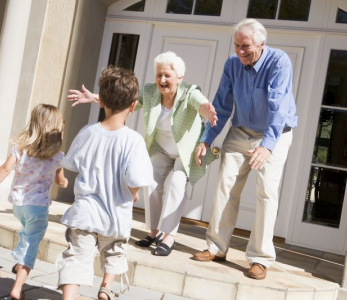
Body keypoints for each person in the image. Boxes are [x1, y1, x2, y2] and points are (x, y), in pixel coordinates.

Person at [67, 51, 218, 257]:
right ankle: (154, 232)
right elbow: (126, 101)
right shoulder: (149, 92)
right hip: (161, 149)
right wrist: (96, 98)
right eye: (158, 75)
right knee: (153, 183)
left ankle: (169, 235)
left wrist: (207, 112)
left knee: (176, 184)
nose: (162, 80)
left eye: (167, 76)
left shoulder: (190, 93)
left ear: (179, 78)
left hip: (185, 153)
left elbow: (201, 104)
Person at [192, 19, 298, 280]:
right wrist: (207, 138)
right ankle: (216, 247)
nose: (240, 51)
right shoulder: (232, 64)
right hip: (240, 132)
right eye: (237, 45)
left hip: (276, 133)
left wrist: (268, 146)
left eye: (246, 46)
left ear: (261, 44)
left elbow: (278, 107)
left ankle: (260, 258)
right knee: (225, 186)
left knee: (266, 192)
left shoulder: (279, 61)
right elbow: (222, 103)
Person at [57, 66, 155, 300]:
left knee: (76, 257)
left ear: (101, 102)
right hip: (115, 214)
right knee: (114, 252)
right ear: (133, 106)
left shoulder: (88, 132)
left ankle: (68, 298)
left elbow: (71, 163)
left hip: (85, 213)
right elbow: (134, 178)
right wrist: (134, 193)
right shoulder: (134, 140)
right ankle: (105, 288)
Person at [0, 104, 68, 300]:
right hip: (38, 209)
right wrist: (65, 181)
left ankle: (18, 265)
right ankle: (17, 288)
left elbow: (4, 169)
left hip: (18, 206)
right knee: (31, 245)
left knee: (26, 235)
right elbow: (61, 182)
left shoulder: (20, 149)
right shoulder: (57, 156)